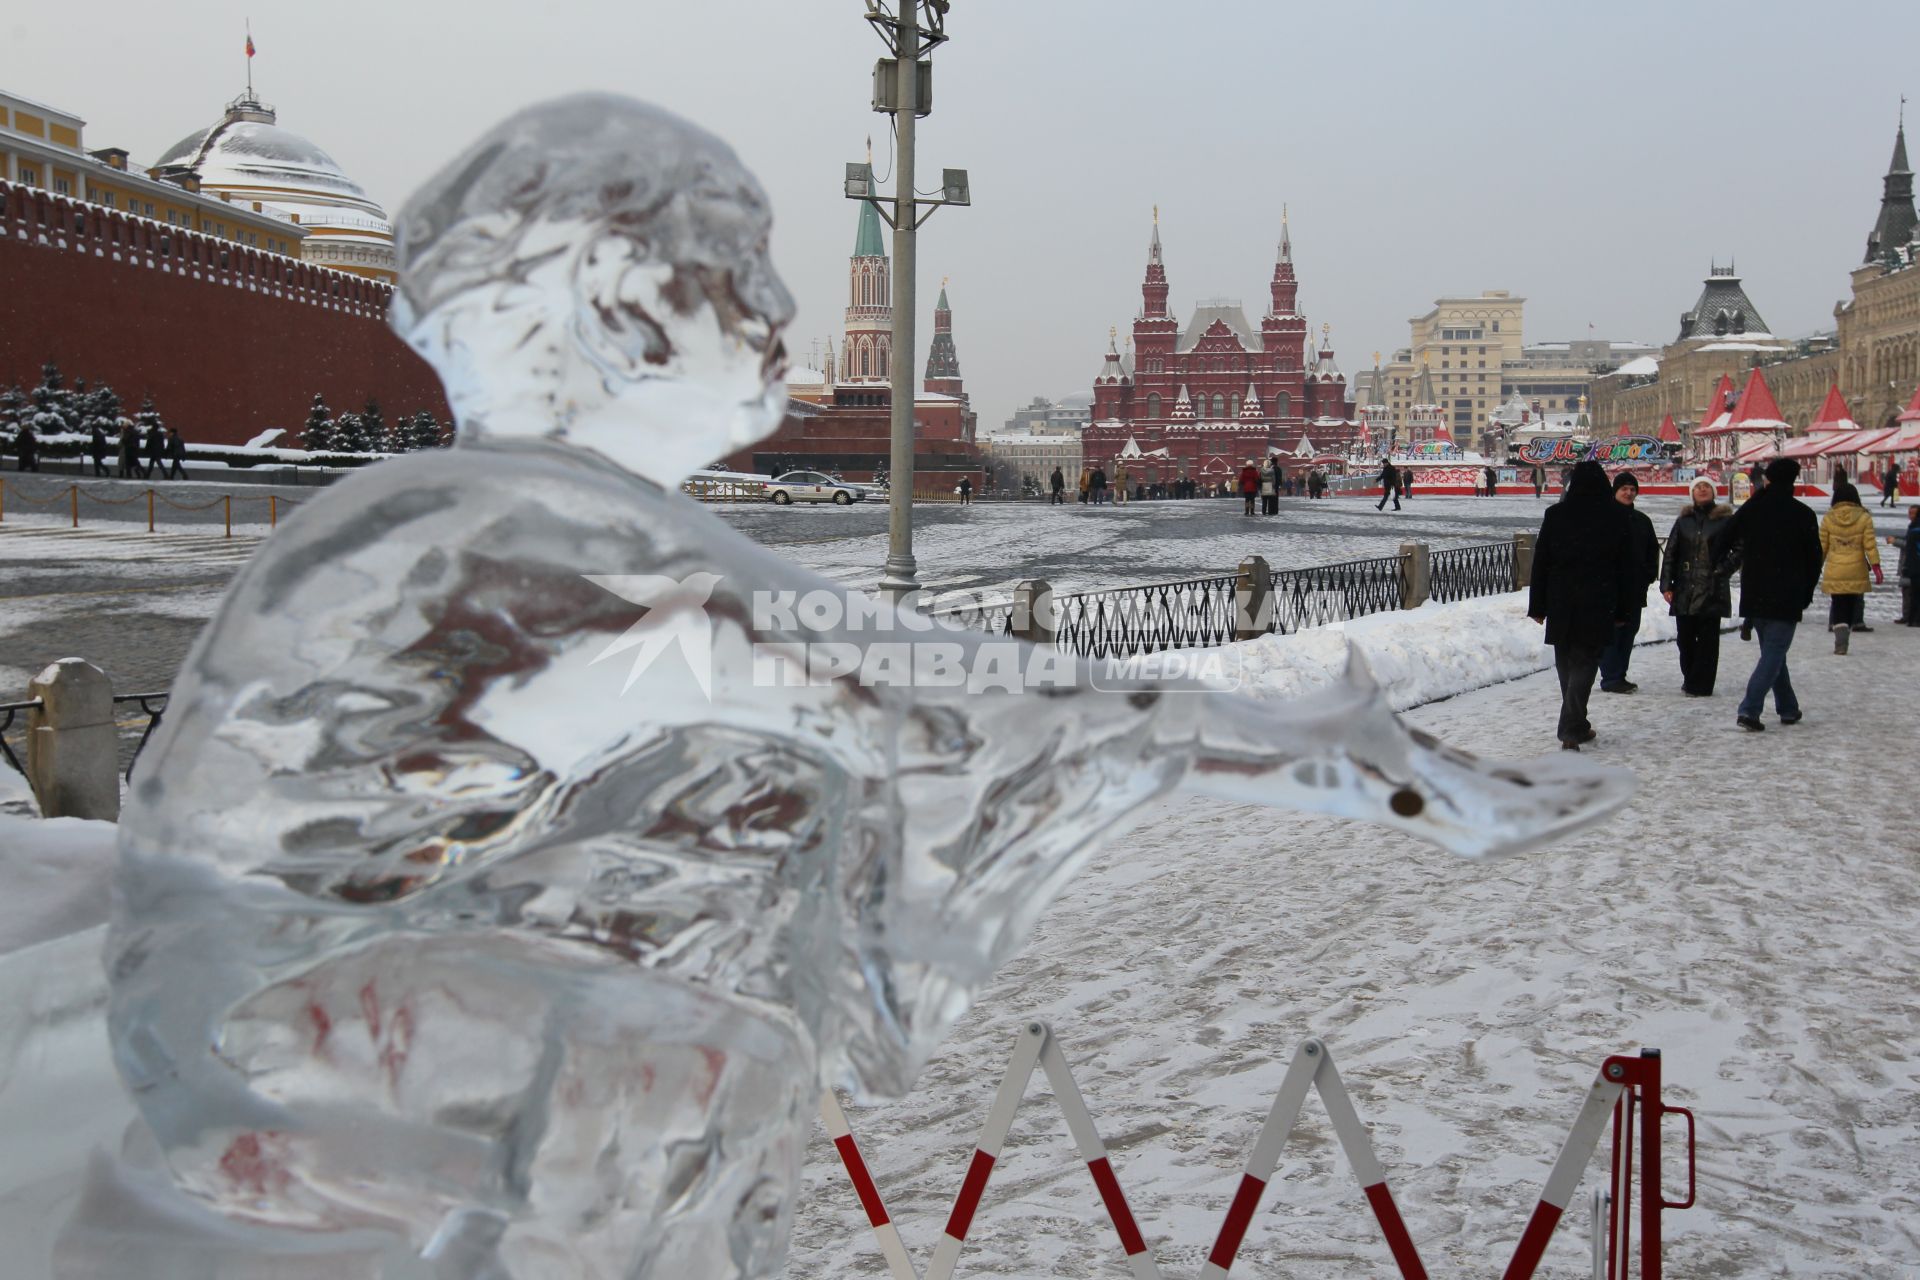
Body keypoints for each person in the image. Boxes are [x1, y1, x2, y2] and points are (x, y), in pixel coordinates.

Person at [1528, 460, 1638, 751]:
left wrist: (1537, 606)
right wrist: (1625, 609)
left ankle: (1575, 724)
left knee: (1566, 663)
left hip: (1562, 598)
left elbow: (1541, 563)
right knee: (1587, 663)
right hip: (1599, 598)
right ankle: (1571, 727)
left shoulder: (1556, 515)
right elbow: (1626, 568)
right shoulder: (1617, 517)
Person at [1712, 457, 1824, 730]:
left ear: (1768, 480)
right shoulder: (1803, 513)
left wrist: (1719, 564)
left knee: (1773, 653)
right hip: (1787, 593)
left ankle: (1788, 708)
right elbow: (1814, 559)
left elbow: (1721, 538)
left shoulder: (1753, 508)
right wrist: (1807, 591)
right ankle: (1749, 709)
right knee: (1774, 653)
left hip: (1756, 591)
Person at [1660, 477, 1735, 696]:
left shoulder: (1725, 520)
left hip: (1712, 588)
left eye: (1706, 487)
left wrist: (1721, 570)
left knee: (1708, 640)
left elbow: (1739, 549)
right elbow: (1671, 553)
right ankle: (1690, 676)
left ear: (1713, 492)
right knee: (1685, 638)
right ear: (1692, 493)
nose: (1702, 490)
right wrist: (1667, 584)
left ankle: (1702, 684)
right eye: (1698, 488)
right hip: (1684, 587)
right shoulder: (1684, 521)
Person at [1599, 473, 1660, 694]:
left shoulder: (1642, 520)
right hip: (1611, 588)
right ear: (1615, 491)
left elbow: (1653, 550)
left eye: (1632, 489)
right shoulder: (1603, 518)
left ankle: (1619, 674)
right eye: (1624, 488)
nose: (1628, 492)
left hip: (1635, 587)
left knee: (1629, 632)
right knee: (1612, 633)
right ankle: (1611, 676)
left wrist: (1649, 574)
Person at [1817, 480, 1880, 653]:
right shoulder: (1864, 517)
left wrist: (1815, 566)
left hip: (1835, 569)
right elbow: (1870, 544)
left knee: (1838, 605)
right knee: (1851, 605)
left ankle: (1840, 643)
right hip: (1856, 568)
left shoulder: (1829, 518)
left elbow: (1822, 546)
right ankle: (1845, 637)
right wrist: (1876, 565)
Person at [1899, 506, 1919, 626]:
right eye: (1909, 513)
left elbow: (1908, 544)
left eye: (1913, 513)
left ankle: (1911, 617)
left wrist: (1895, 541)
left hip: (1912, 565)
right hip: (1909, 564)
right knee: (1907, 591)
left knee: (1911, 592)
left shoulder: (1915, 528)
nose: (1911, 515)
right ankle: (1908, 616)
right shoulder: (1911, 527)